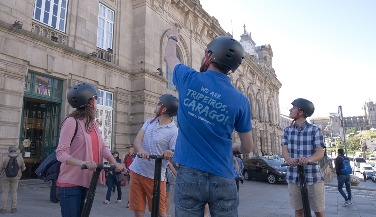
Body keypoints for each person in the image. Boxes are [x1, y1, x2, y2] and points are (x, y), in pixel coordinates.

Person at [164, 24, 253, 216]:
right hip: (224, 176)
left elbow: (170, 57)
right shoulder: (241, 100)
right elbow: (247, 147)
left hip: (189, 174)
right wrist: (234, 147)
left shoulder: (189, 78)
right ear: (233, 68)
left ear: (208, 56)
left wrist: (173, 36)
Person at [56, 82, 124, 217]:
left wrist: (114, 162)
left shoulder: (92, 123)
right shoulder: (71, 122)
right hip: (70, 184)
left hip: (87, 182)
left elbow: (102, 147)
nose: (96, 102)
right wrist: (82, 163)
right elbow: (60, 153)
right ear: (90, 101)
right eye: (95, 98)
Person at [129, 94, 178, 217]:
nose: (156, 106)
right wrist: (141, 150)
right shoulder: (149, 122)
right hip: (137, 170)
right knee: (138, 210)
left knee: (160, 211)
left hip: (155, 176)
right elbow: (137, 140)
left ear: (164, 109)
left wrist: (169, 153)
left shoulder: (173, 131)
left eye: (158, 103)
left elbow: (175, 152)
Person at [281, 98, 326, 217]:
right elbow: (284, 149)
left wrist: (308, 160)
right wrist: (288, 159)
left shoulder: (315, 130)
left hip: (312, 176)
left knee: (318, 211)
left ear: (300, 112)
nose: (290, 109)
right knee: (298, 211)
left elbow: (320, 153)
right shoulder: (287, 130)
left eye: (293, 107)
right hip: (293, 176)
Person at [0, 146, 26, 213]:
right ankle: (13, 208)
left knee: (5, 192)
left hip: (5, 177)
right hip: (16, 177)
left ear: (9, 151)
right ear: (16, 151)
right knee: (14, 192)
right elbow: (23, 168)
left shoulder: (5, 158)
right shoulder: (20, 158)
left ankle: (3, 209)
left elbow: (0, 167)